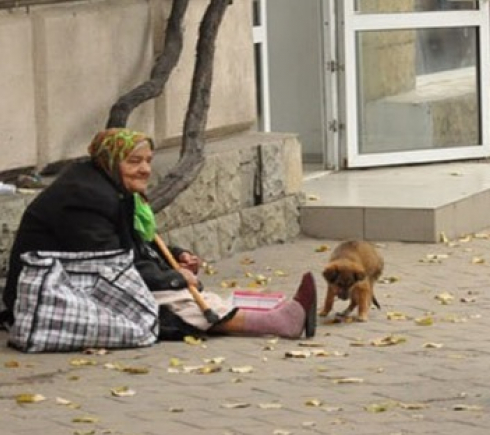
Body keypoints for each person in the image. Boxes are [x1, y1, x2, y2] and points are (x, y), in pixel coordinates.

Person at [2, 128, 316, 341]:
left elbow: (131, 243)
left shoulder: (109, 187)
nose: (145, 169)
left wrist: (175, 257)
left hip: (84, 281)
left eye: (148, 161)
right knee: (175, 299)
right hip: (53, 297)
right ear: (110, 160)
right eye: (134, 161)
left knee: (178, 292)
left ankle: (276, 316)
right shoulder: (85, 198)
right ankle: (278, 323)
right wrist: (173, 278)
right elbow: (111, 267)